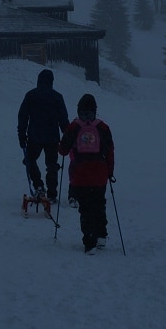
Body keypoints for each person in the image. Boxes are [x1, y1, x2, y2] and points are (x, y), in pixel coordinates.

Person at [58, 93, 115, 254]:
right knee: (99, 204)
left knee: (85, 208)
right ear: (95, 110)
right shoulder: (103, 127)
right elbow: (110, 151)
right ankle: (101, 236)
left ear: (79, 109)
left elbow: (63, 150)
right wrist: (110, 172)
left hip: (80, 174)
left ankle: (89, 242)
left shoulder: (74, 127)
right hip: (100, 174)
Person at [17, 68, 69, 203]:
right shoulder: (57, 96)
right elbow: (63, 119)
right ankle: (52, 193)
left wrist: (21, 134)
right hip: (52, 137)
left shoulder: (31, 95)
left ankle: (39, 186)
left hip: (35, 136)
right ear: (51, 81)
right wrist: (68, 136)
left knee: (29, 160)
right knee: (51, 164)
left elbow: (22, 116)